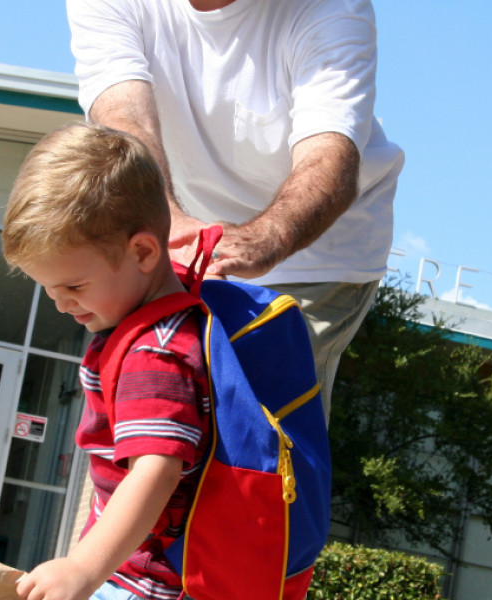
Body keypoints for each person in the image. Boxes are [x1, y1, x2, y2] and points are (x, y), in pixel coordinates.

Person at [66, 0, 405, 419]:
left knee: (254, 437)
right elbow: (124, 118)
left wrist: (260, 240)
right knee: (146, 401)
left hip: (312, 251)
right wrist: (166, 219)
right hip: (175, 225)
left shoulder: (331, 7)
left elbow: (329, 161)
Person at [3, 122, 211, 600]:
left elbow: (156, 469)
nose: (61, 303)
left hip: (144, 584)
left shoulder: (154, 353)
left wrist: (82, 568)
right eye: (49, 289)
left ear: (142, 251)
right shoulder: (170, 315)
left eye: (73, 287)